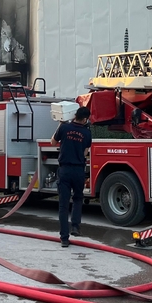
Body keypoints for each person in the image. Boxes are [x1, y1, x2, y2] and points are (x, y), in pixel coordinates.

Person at [50, 106, 92, 248]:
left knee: (63, 205)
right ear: (85, 119)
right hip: (78, 170)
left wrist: (60, 124)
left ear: (75, 115)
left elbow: (53, 142)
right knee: (78, 199)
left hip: (65, 170)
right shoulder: (87, 132)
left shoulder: (64, 128)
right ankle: (75, 226)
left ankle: (64, 239)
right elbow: (85, 152)